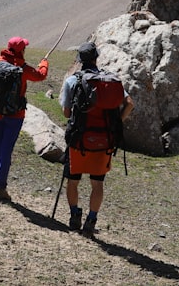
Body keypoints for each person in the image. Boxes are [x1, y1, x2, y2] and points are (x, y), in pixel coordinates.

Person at [59, 42, 134, 235]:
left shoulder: (72, 81)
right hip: (104, 141)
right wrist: (117, 123)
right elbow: (130, 104)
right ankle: (91, 220)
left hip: (79, 140)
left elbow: (67, 114)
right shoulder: (109, 80)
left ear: (80, 61)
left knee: (73, 180)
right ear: (96, 58)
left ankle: (75, 215)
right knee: (97, 183)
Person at [0, 36, 49, 202]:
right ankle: (0, 187)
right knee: (6, 150)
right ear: (20, 50)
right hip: (15, 115)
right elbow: (40, 75)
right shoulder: (23, 68)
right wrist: (44, 63)